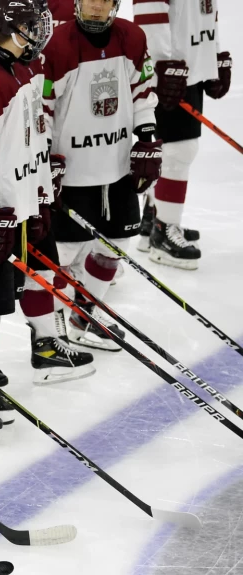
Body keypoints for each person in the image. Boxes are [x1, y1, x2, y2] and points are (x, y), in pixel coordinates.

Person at [0, 0, 91, 442]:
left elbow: (32, 141)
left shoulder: (26, 69)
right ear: (7, 29)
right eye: (32, 24)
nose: (41, 31)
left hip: (18, 210)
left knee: (11, 297)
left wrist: (40, 193)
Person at [43, 0, 162, 350]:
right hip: (73, 170)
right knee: (62, 253)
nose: (96, 5)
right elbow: (44, 105)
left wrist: (146, 137)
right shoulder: (57, 45)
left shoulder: (133, 37)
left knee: (116, 246)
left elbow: (143, 90)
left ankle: (85, 314)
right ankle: (53, 330)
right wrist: (45, 156)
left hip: (118, 165)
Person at [135, 0, 231, 269]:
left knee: (176, 150)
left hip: (189, 65)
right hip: (173, 67)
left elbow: (207, 9)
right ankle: (163, 231)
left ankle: (154, 219)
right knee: (178, 150)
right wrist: (161, 62)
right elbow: (149, 11)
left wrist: (216, 55)